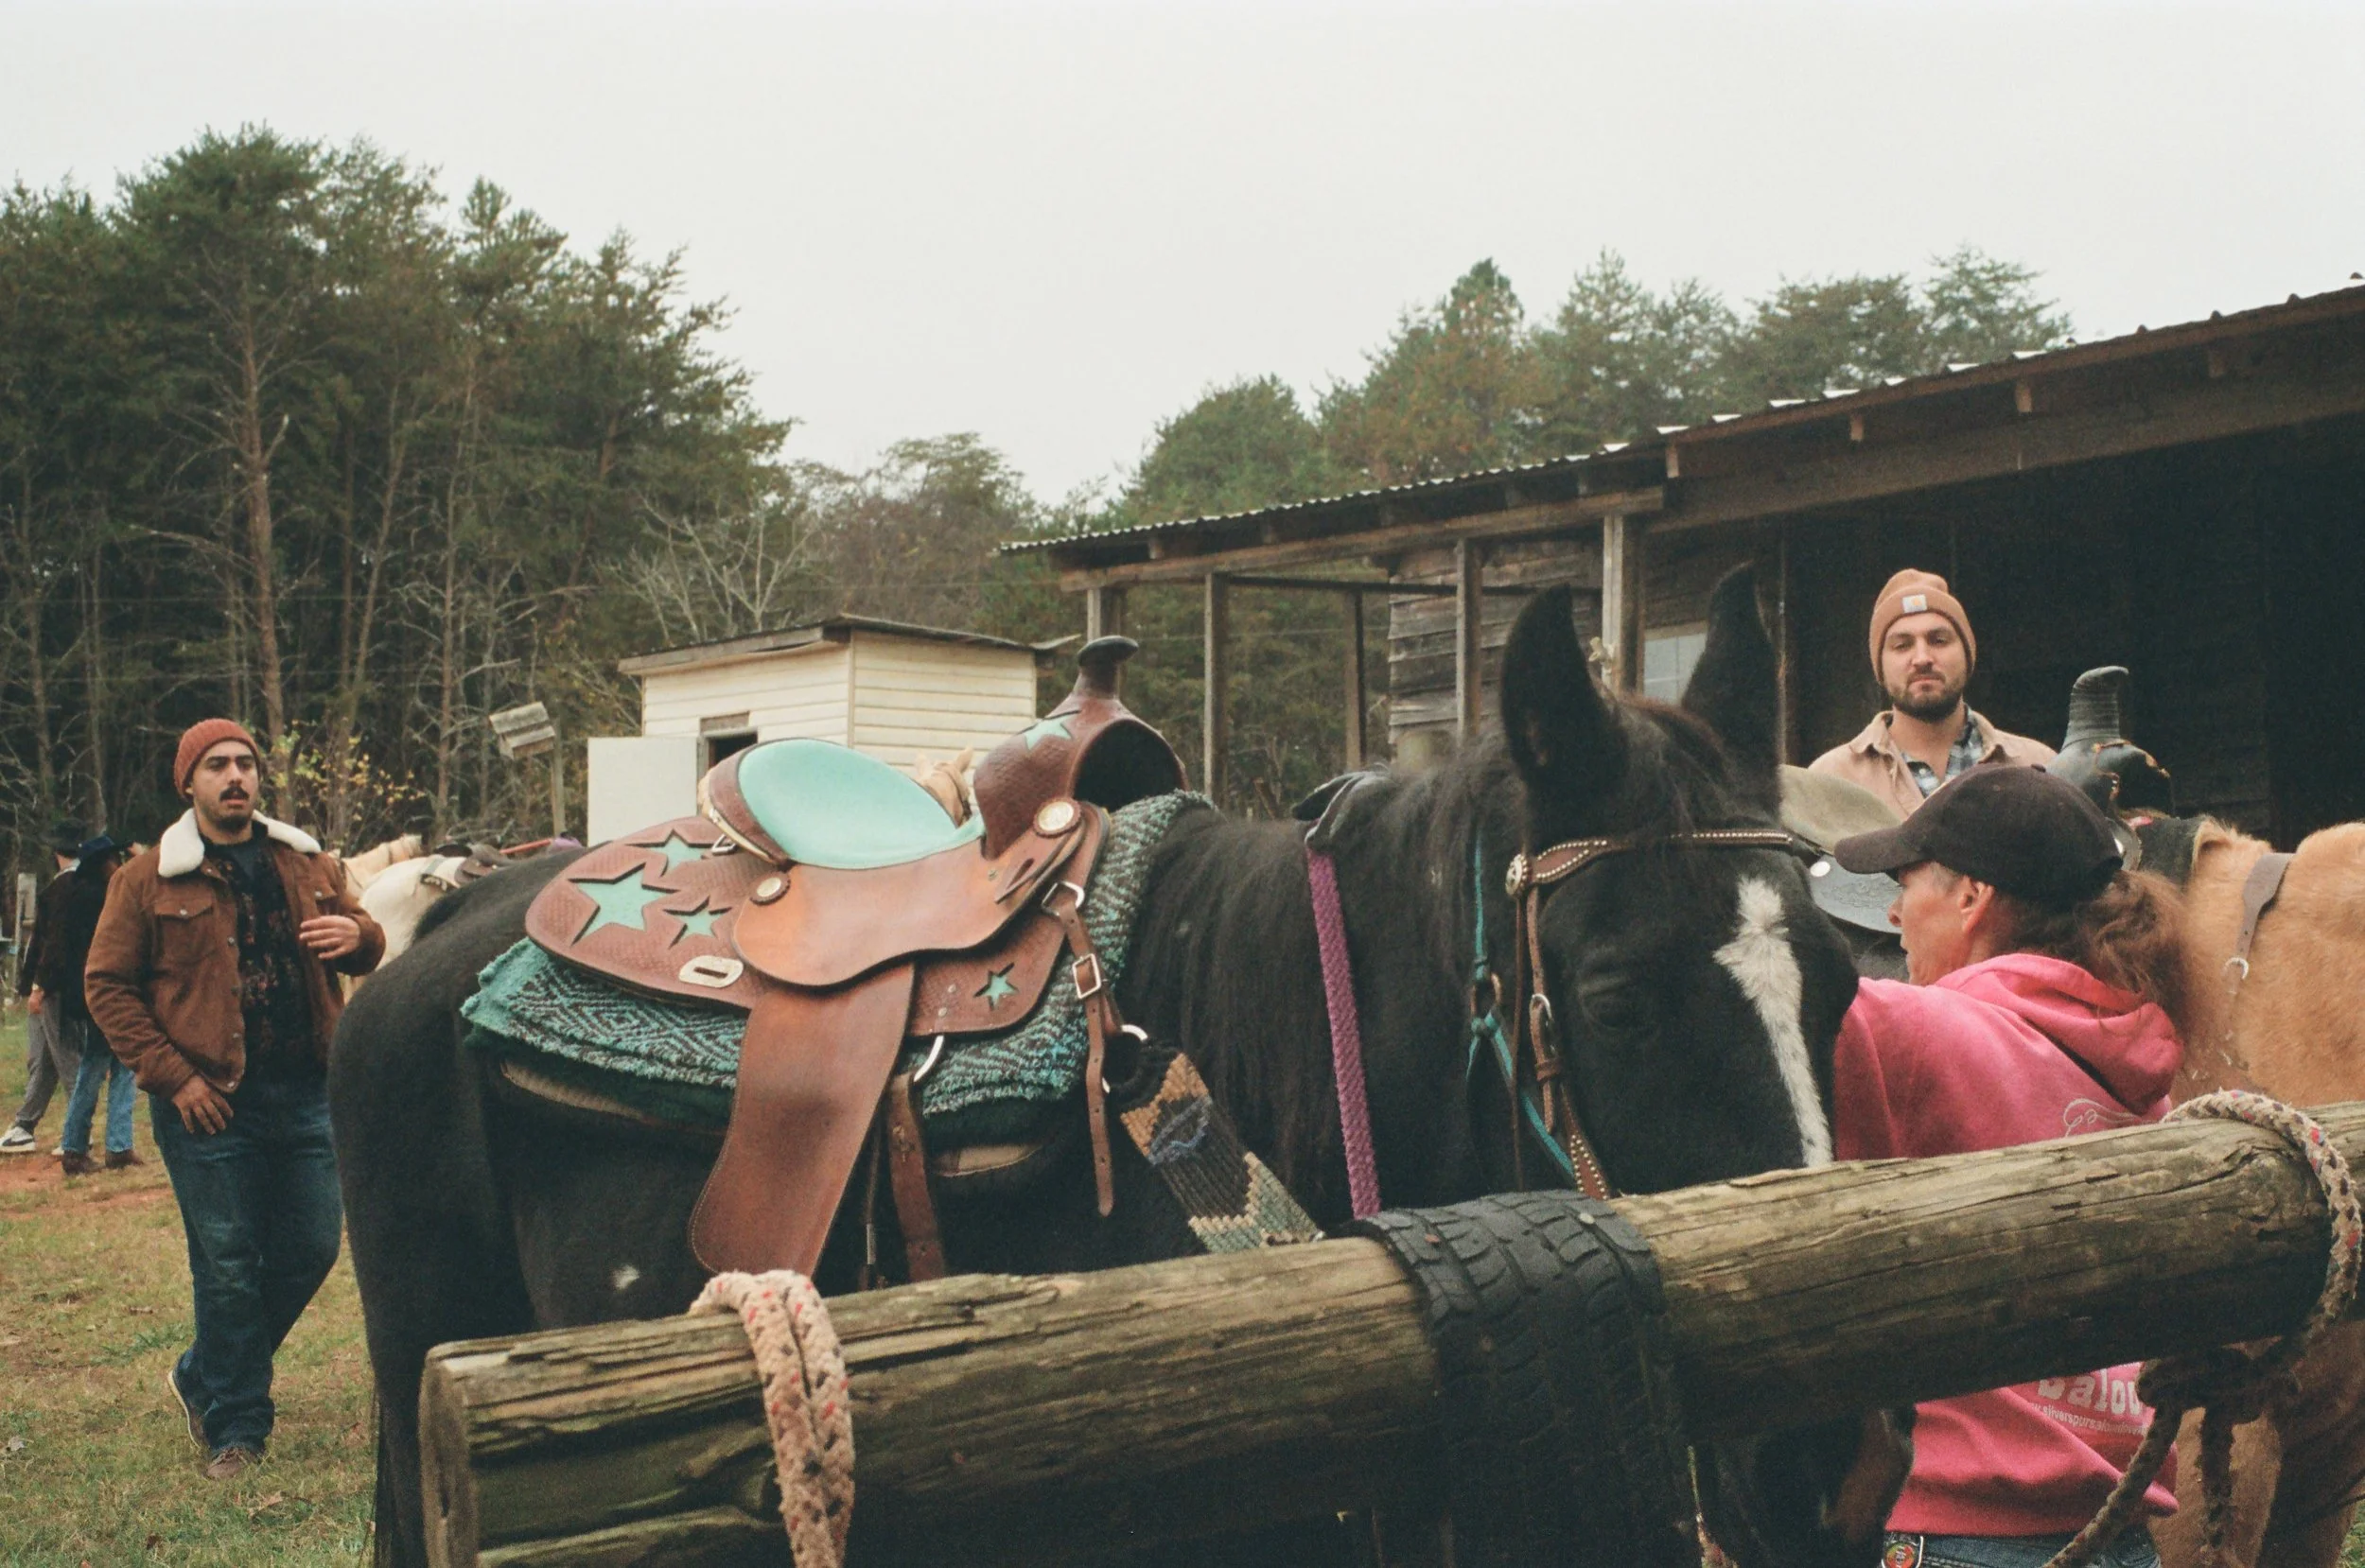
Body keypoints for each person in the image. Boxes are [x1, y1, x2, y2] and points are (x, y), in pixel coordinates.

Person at [1831, 764, 2183, 1568]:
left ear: (1971, 897)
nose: (1891, 912)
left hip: (1957, 1531)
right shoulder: (2139, 1070)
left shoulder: (1913, 1031)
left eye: (1905, 881)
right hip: (2120, 1534)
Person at [84, 720, 385, 1480]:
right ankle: (238, 1426)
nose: (235, 776)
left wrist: (357, 939)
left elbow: (371, 934)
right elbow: (106, 987)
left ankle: (203, 1372)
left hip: (307, 1091)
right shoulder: (147, 878)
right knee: (226, 1263)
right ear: (188, 783)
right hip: (207, 1103)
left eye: (245, 763)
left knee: (314, 1246)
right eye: (216, 765)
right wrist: (174, 1077)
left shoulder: (305, 858)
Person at [1810, 569, 2056, 817]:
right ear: (1880, 666)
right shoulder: (1830, 779)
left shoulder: (2038, 767)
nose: (1922, 659)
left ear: (1968, 654)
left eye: (1938, 640)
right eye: (1902, 645)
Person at [45, 834, 138, 1176]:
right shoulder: (99, 897)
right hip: (103, 993)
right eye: (115, 859)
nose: (119, 866)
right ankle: (76, 1146)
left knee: (118, 1064)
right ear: (105, 863)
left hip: (96, 993)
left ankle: (116, 1143)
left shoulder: (78, 893)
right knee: (97, 1066)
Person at [5, 821, 91, 1155]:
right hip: (58, 984)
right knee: (43, 1058)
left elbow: (53, 945)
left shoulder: (65, 888)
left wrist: (39, 985)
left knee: (66, 1057)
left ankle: (78, 1130)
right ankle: (25, 1124)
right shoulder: (80, 885)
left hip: (56, 987)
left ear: (57, 853)